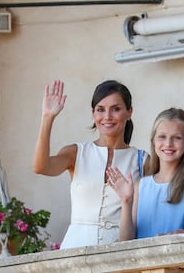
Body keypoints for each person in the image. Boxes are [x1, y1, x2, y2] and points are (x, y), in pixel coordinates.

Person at [32, 79, 147, 249]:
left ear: (129, 112)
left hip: (119, 253)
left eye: (116, 109)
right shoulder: (76, 153)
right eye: (100, 110)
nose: (107, 116)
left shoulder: (143, 160)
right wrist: (47, 117)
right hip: (74, 251)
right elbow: (41, 167)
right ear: (93, 113)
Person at [107, 108, 184, 240]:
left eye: (176, 138)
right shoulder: (140, 186)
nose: (168, 143)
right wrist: (126, 201)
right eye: (162, 137)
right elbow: (125, 242)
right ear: (153, 141)